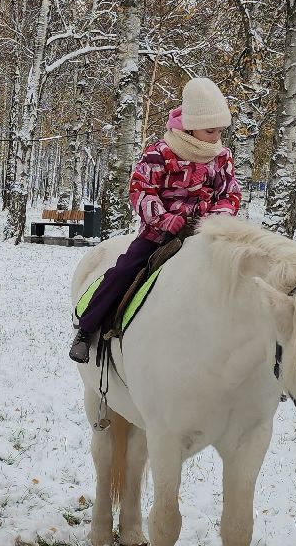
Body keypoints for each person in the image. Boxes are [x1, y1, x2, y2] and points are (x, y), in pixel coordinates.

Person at [70, 77, 243, 363]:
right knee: (124, 270)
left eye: (220, 131)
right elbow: (140, 190)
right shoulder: (159, 153)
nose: (216, 137)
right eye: (210, 131)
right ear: (190, 126)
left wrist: (215, 219)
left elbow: (230, 193)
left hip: (207, 234)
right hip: (159, 235)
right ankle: (87, 329)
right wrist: (163, 219)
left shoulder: (221, 157)